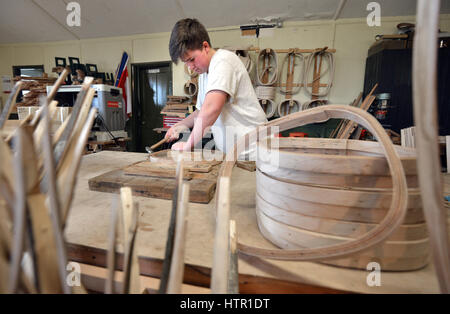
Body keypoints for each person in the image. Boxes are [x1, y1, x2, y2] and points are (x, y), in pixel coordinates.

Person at [166, 18, 267, 159]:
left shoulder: (223, 60)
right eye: (186, 62)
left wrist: (187, 146)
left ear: (205, 47)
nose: (190, 67)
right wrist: (179, 125)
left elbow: (211, 109)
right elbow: (201, 111)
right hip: (235, 156)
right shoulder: (204, 74)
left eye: (191, 59)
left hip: (256, 154)